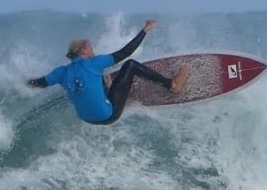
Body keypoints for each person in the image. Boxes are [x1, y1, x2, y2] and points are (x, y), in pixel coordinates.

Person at [27, 19, 189, 125]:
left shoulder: (60, 72)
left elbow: (39, 83)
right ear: (83, 51)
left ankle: (108, 90)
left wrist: (17, 84)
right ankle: (172, 85)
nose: (93, 50)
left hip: (87, 119)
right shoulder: (94, 63)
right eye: (90, 48)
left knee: (95, 81)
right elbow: (126, 52)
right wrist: (145, 30)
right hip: (108, 116)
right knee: (130, 65)